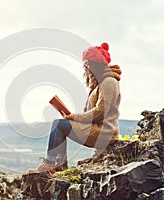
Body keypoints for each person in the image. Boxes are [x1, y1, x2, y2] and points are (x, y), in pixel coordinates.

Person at [27, 42, 122, 173]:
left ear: (96, 65)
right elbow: (92, 112)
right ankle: (58, 165)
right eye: (85, 64)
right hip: (98, 129)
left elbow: (100, 112)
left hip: (104, 132)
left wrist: (73, 117)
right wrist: (72, 116)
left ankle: (51, 164)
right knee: (60, 125)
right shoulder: (99, 83)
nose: (85, 68)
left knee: (59, 125)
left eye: (88, 64)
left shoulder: (109, 82)